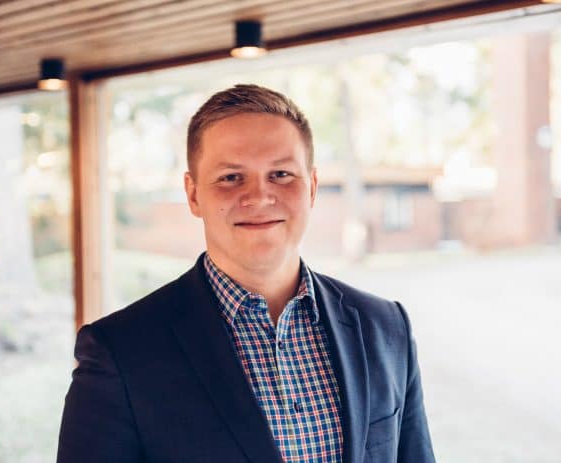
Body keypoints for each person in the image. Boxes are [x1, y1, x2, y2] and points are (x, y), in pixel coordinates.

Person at [56, 84, 436, 463]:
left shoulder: (385, 328)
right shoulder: (119, 352)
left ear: (312, 187)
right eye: (231, 178)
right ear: (193, 194)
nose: (259, 197)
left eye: (281, 174)